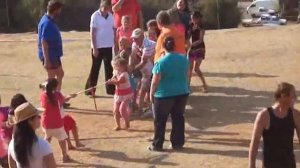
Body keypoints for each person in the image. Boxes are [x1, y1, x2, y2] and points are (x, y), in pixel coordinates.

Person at [149, 37, 190, 151]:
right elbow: (187, 75)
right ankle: (177, 143)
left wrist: (151, 93)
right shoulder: (184, 59)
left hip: (164, 95)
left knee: (160, 120)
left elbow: (155, 81)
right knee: (178, 118)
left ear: (163, 47)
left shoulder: (160, 62)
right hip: (182, 92)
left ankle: (157, 144)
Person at [249, 82, 300, 168]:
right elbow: (255, 142)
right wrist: (251, 165)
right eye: (293, 96)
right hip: (269, 165)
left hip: (289, 164)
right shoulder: (264, 115)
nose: (295, 98)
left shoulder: (295, 115)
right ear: (283, 96)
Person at [8, 102, 56, 168]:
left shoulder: (12, 144)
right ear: (30, 121)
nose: (40, 118)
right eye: (38, 116)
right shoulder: (43, 145)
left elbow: (12, 166)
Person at [40, 78, 76, 162]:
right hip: (57, 123)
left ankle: (42, 156)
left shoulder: (42, 95)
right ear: (55, 87)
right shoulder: (57, 95)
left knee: (47, 138)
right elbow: (64, 99)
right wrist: (71, 96)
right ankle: (64, 156)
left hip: (46, 123)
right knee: (61, 139)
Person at [85, 0, 116, 96]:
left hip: (108, 45)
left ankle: (110, 89)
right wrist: (94, 48)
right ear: (101, 6)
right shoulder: (95, 16)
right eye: (104, 7)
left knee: (109, 68)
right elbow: (93, 32)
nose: (106, 9)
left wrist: (115, 45)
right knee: (95, 68)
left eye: (108, 7)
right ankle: (90, 89)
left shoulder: (111, 16)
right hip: (98, 46)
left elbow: (114, 31)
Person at [38, 0, 64, 92]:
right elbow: (44, 42)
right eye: (59, 9)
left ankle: (57, 97)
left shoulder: (49, 20)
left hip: (54, 54)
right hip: (50, 55)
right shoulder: (47, 23)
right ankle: (49, 98)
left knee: (60, 74)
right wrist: (47, 60)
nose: (60, 12)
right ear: (55, 10)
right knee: (51, 79)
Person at [131, 28, 156, 113]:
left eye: (136, 38)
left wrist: (132, 69)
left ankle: (143, 109)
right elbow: (132, 56)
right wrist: (130, 66)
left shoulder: (148, 45)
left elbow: (143, 62)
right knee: (143, 87)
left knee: (145, 88)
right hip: (148, 66)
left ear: (142, 37)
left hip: (155, 65)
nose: (134, 39)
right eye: (133, 38)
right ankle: (143, 107)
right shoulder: (135, 43)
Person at [107, 58, 133, 131]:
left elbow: (119, 81)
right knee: (115, 110)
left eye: (118, 66)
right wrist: (111, 79)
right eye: (116, 66)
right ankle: (118, 125)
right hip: (118, 94)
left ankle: (127, 122)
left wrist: (111, 82)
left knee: (122, 109)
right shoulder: (116, 71)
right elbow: (114, 77)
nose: (116, 67)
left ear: (123, 67)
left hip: (126, 94)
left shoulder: (125, 74)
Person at [188, 11, 208, 92]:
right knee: (189, 68)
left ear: (198, 19)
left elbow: (200, 40)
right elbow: (188, 36)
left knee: (196, 69)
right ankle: (187, 86)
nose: (192, 20)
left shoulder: (201, 27)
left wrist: (191, 45)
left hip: (199, 48)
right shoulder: (191, 25)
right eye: (191, 18)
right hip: (192, 48)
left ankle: (205, 85)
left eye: (193, 18)